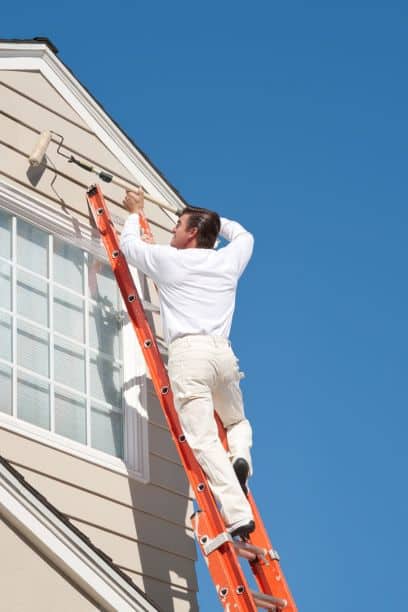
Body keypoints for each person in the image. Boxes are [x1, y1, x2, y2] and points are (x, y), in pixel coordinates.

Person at [120, 188, 255, 539]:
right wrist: (213, 219)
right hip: (223, 356)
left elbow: (130, 247)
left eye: (179, 224)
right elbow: (244, 235)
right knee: (237, 421)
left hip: (189, 355)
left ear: (193, 232)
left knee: (204, 440)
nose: (173, 230)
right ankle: (240, 456)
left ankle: (238, 514)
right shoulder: (228, 261)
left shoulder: (171, 260)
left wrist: (134, 211)